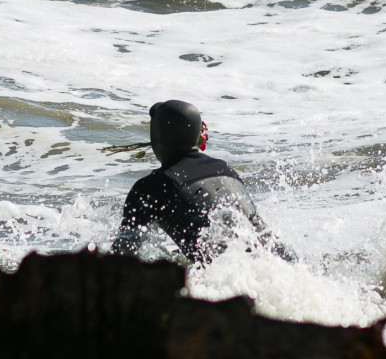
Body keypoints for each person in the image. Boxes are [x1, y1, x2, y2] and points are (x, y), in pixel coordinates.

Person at [110, 100, 289, 263]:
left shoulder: (151, 187)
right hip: (280, 261)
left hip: (224, 276)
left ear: (156, 136)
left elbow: (123, 256)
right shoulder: (224, 169)